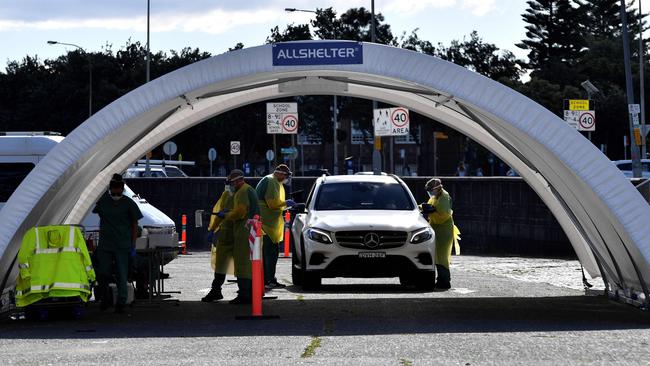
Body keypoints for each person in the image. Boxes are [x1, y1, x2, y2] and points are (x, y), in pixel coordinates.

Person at [93, 173, 143, 313]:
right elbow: (98, 213)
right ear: (110, 189)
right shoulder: (103, 202)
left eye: (118, 189)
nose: (115, 192)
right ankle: (104, 298)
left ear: (122, 189)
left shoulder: (128, 203)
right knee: (103, 272)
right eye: (113, 189)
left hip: (123, 244)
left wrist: (132, 244)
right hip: (106, 244)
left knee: (122, 274)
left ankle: (121, 301)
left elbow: (135, 225)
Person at [255, 164, 295, 290]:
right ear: (280, 173)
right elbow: (272, 204)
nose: (286, 178)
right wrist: (286, 203)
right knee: (270, 253)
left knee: (269, 252)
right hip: (266, 223)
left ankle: (268, 279)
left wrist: (283, 205)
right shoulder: (272, 181)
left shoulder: (271, 181)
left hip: (267, 222)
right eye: (286, 175)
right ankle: (269, 280)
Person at [223, 169, 260, 304]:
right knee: (249, 263)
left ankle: (244, 294)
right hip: (251, 230)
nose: (231, 185)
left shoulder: (243, 191)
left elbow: (240, 212)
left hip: (244, 230)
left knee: (242, 262)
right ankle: (250, 292)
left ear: (238, 180)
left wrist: (227, 215)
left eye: (232, 182)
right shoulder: (248, 189)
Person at [201, 179, 235, 302]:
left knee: (227, 264)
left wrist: (213, 229)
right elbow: (219, 214)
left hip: (230, 234)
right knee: (224, 264)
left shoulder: (237, 195)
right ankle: (246, 291)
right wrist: (213, 229)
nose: (228, 186)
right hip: (228, 234)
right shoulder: (230, 195)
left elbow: (222, 215)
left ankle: (246, 291)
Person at [424, 178, 457, 290]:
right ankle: (441, 280)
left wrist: (431, 212)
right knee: (437, 256)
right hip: (436, 230)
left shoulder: (444, 197)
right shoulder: (435, 197)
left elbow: (443, 216)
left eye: (431, 190)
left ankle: (445, 281)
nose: (430, 193)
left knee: (442, 257)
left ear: (437, 189)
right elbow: (429, 206)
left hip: (444, 231)